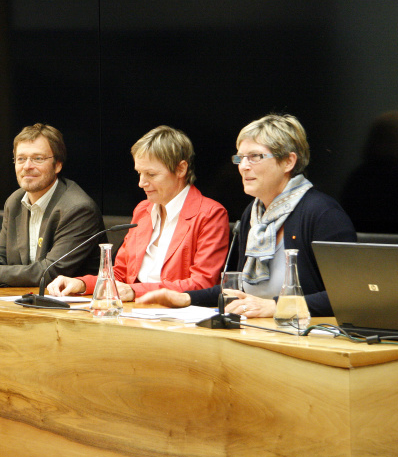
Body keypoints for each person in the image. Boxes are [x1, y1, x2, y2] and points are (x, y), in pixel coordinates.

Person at [138, 113, 356, 318]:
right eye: (240, 158)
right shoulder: (253, 214)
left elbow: (348, 296)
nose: (242, 167)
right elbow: (237, 291)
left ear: (288, 162)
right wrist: (184, 298)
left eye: (255, 157)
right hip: (256, 331)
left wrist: (275, 306)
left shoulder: (322, 214)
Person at [46, 125, 229, 301]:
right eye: (139, 173)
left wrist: (135, 291)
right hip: (134, 310)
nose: (141, 183)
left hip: (176, 317)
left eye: (151, 174)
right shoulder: (143, 210)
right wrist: (81, 283)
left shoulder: (210, 214)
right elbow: (121, 273)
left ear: (181, 169)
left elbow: (203, 284)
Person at [0, 123, 105, 287]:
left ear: (58, 165)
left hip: (73, 306)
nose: (27, 166)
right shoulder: (15, 201)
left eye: (38, 159)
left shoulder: (78, 208)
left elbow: (48, 272)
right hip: (25, 300)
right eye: (21, 159)